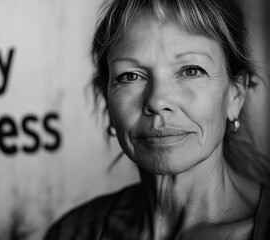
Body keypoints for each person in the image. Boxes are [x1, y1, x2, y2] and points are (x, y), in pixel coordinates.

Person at [44, 0, 270, 239]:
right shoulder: (72, 232)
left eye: (191, 71)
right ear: (107, 100)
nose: (157, 101)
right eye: (130, 76)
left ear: (236, 94)